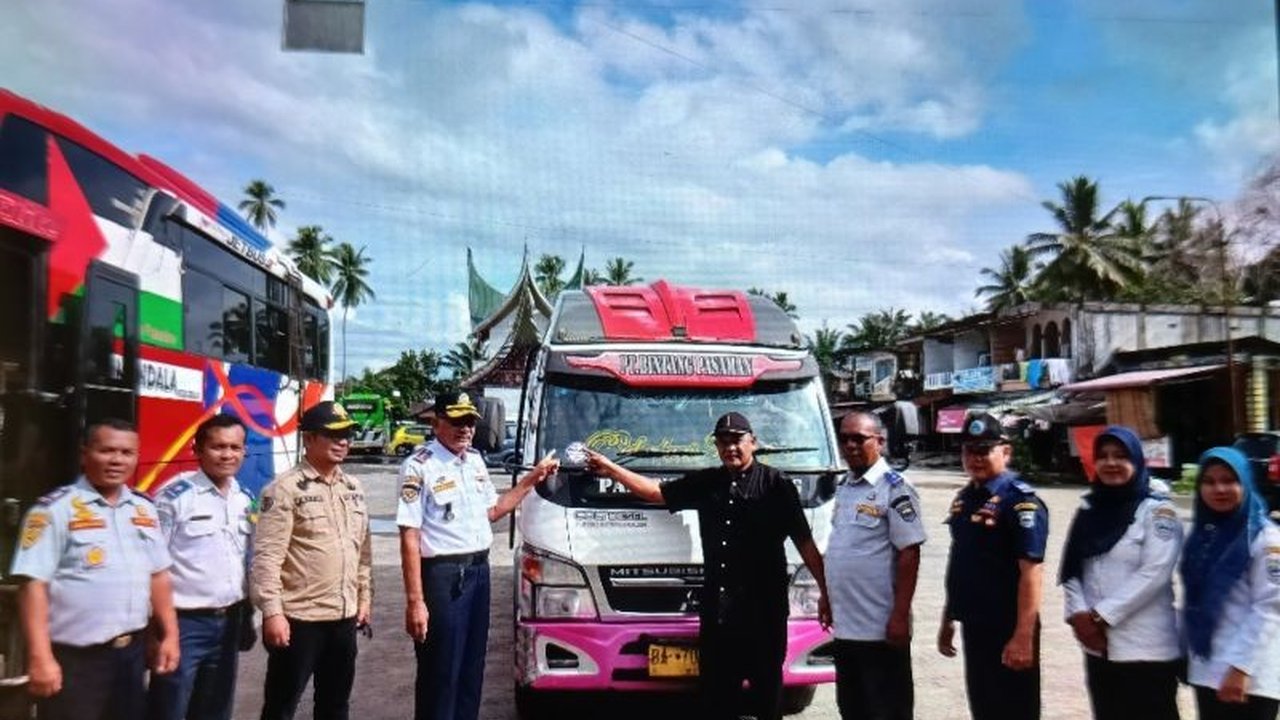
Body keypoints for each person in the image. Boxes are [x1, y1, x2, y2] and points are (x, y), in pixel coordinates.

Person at [585, 411, 831, 720]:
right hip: (719, 618)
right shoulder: (708, 482)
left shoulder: (777, 485)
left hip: (764, 618)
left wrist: (826, 592)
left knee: (767, 700)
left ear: (753, 442)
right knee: (717, 700)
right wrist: (611, 469)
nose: (730, 448)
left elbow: (805, 543)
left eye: (737, 440)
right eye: (723, 442)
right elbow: (656, 492)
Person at [397, 391, 559, 720]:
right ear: (436, 423)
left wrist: (533, 478)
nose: (466, 428)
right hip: (443, 576)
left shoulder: (474, 461)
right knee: (441, 671)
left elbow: (494, 510)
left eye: (470, 421)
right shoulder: (419, 466)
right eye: (457, 420)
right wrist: (416, 601)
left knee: (471, 668)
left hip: (477, 572)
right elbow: (410, 536)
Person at [10, 418, 180, 720]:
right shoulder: (53, 510)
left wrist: (170, 635)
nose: (117, 460)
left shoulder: (144, 508)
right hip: (75, 660)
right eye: (107, 451)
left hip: (130, 656)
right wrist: (39, 656)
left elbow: (158, 575)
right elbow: (33, 585)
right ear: (84, 454)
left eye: (126, 453)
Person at [250, 401, 372, 720]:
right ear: (309, 439)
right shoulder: (284, 489)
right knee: (281, 707)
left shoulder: (353, 488)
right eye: (333, 435)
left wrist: (364, 598)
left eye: (346, 435)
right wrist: (272, 612)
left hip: (344, 617)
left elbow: (362, 552)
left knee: (335, 706)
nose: (342, 442)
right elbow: (267, 557)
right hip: (300, 620)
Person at [1059, 425, 1183, 720]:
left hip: (1146, 649)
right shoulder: (1089, 509)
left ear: (1137, 460)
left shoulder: (1158, 512)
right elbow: (1072, 567)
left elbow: (1155, 573)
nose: (1110, 463)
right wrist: (1078, 615)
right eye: (1103, 456)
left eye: (1120, 456)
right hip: (1098, 646)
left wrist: (1101, 616)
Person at [937, 412, 1048, 720]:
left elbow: (1031, 572)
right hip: (975, 625)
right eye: (969, 450)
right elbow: (961, 561)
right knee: (984, 707)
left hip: (1008, 626)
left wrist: (1023, 636)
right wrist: (949, 616)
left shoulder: (1020, 501)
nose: (976, 458)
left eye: (984, 450)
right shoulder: (966, 498)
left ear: (1006, 452)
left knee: (1014, 710)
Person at [148, 414, 256, 720]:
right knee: (169, 709)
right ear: (197, 449)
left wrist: (247, 615)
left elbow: (244, 560)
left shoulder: (244, 498)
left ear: (244, 451)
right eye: (218, 447)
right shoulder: (175, 497)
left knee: (216, 710)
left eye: (235, 447)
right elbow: (151, 566)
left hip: (230, 620)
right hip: (183, 624)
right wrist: (154, 631)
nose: (227, 454)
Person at [824, 411, 926, 720]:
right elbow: (841, 548)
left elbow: (909, 554)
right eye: (844, 439)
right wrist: (827, 596)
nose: (850, 445)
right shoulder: (845, 487)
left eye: (859, 438)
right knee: (852, 709)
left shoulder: (895, 488)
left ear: (879, 442)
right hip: (846, 629)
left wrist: (900, 616)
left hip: (880, 630)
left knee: (886, 711)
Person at [1181, 447, 1280, 720]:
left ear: (1245, 483)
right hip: (1209, 668)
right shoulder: (1203, 536)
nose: (1219, 489)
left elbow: (1270, 607)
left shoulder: (1265, 538)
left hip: (1249, 677)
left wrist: (1240, 667)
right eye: (1209, 481)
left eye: (1229, 480)